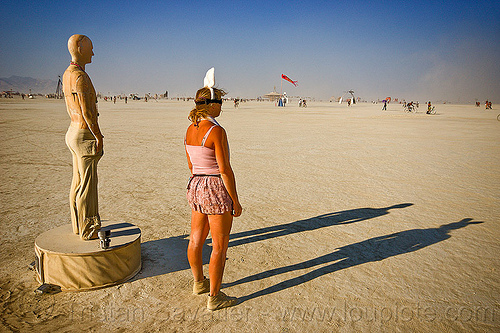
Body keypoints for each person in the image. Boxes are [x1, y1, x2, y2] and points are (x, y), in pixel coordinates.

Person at [184, 68, 242, 311]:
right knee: (219, 245)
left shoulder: (190, 129)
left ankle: (198, 283)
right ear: (210, 105)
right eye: (220, 101)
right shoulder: (216, 130)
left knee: (196, 238)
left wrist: (201, 183)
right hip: (215, 187)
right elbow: (225, 169)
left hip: (196, 184)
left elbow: (190, 164)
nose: (222, 105)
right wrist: (235, 201)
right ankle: (215, 296)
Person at [63, 34, 103, 240]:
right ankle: (89, 228)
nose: (93, 53)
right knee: (87, 184)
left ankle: (77, 225)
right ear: (79, 48)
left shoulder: (67, 74)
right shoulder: (80, 77)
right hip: (83, 133)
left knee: (77, 181)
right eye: (90, 48)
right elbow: (88, 112)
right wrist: (98, 136)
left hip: (72, 131)